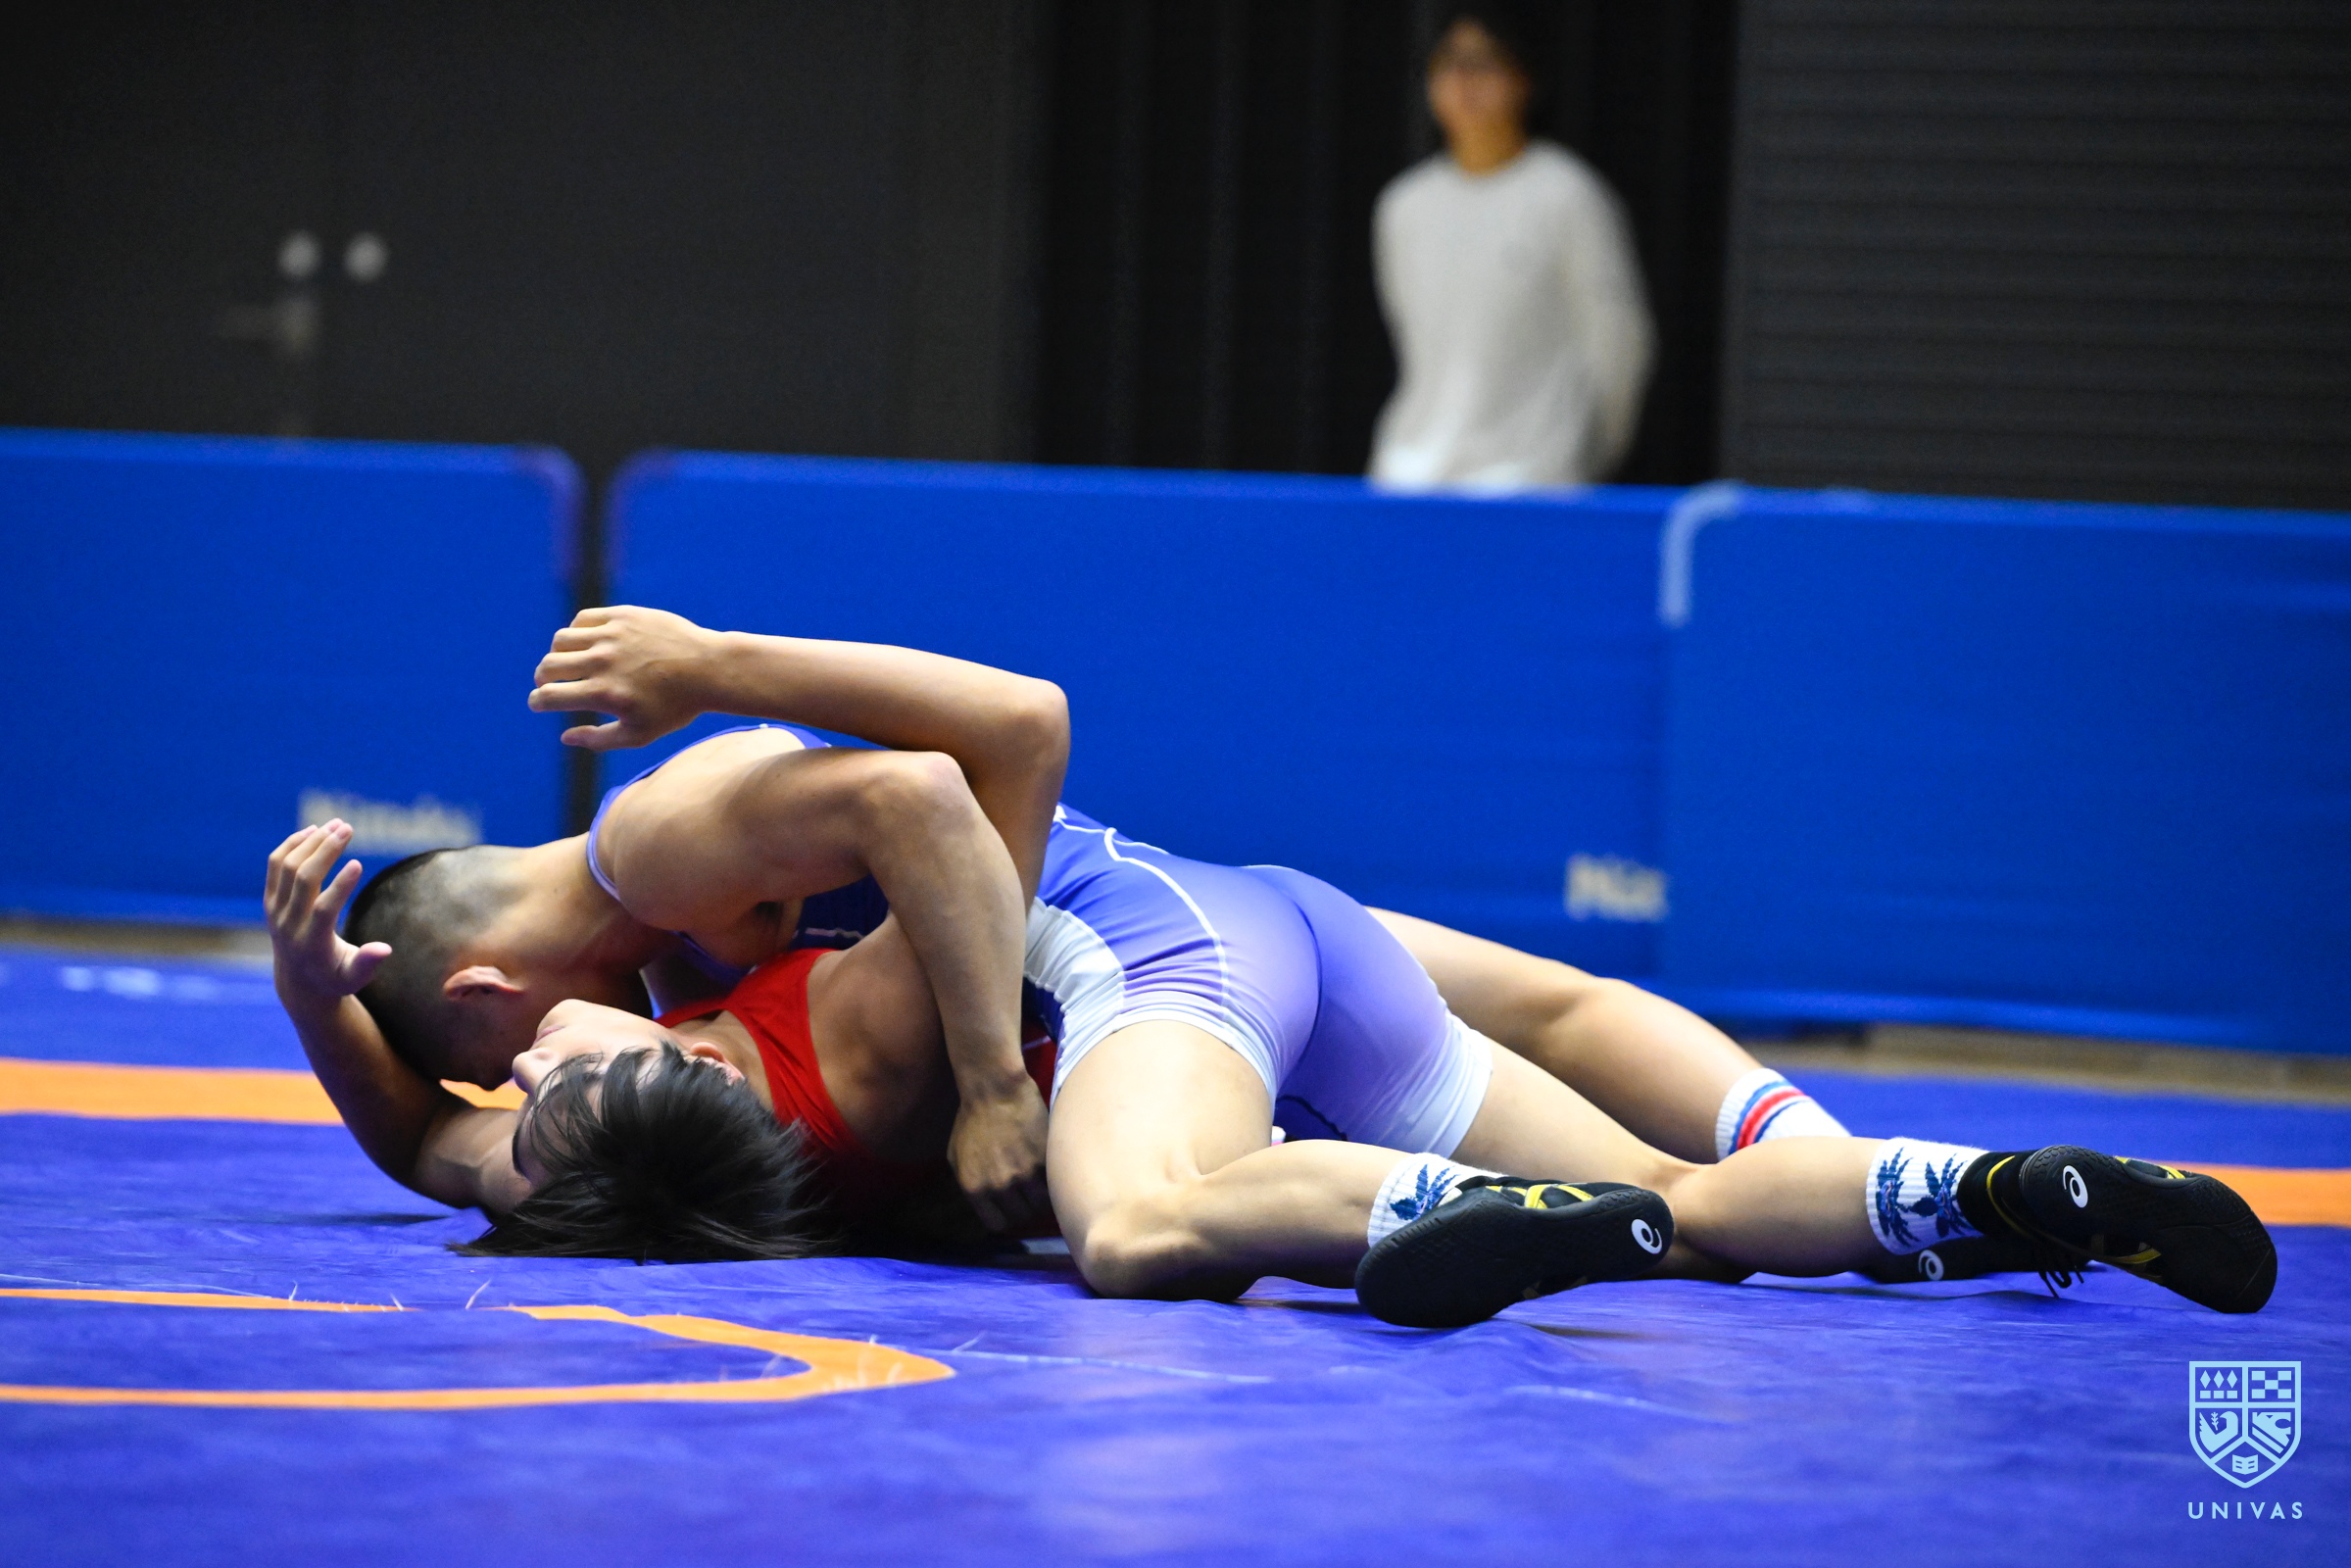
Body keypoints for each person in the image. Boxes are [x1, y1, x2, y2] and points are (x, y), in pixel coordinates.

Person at [267, 615, 2278, 1324]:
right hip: (1231, 934)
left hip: (1181, 965)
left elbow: (429, 1141)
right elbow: (432, 1127)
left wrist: (317, 1008)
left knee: (1141, 1225)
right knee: (1672, 1203)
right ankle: (1978, 1190)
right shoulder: (773, 1015)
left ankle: (1470, 1214)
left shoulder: (689, 1051)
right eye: (537, 1082)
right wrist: (320, 1005)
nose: (512, 1082)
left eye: (507, 1070)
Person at [1369, 2, 1653, 492]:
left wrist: (1583, 454)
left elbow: (1619, 342)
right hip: (1413, 474)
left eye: (1484, 62)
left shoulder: (1568, 196)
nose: (1465, 81)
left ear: (1524, 79)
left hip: (1530, 479)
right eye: (1449, 63)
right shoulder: (1404, 206)